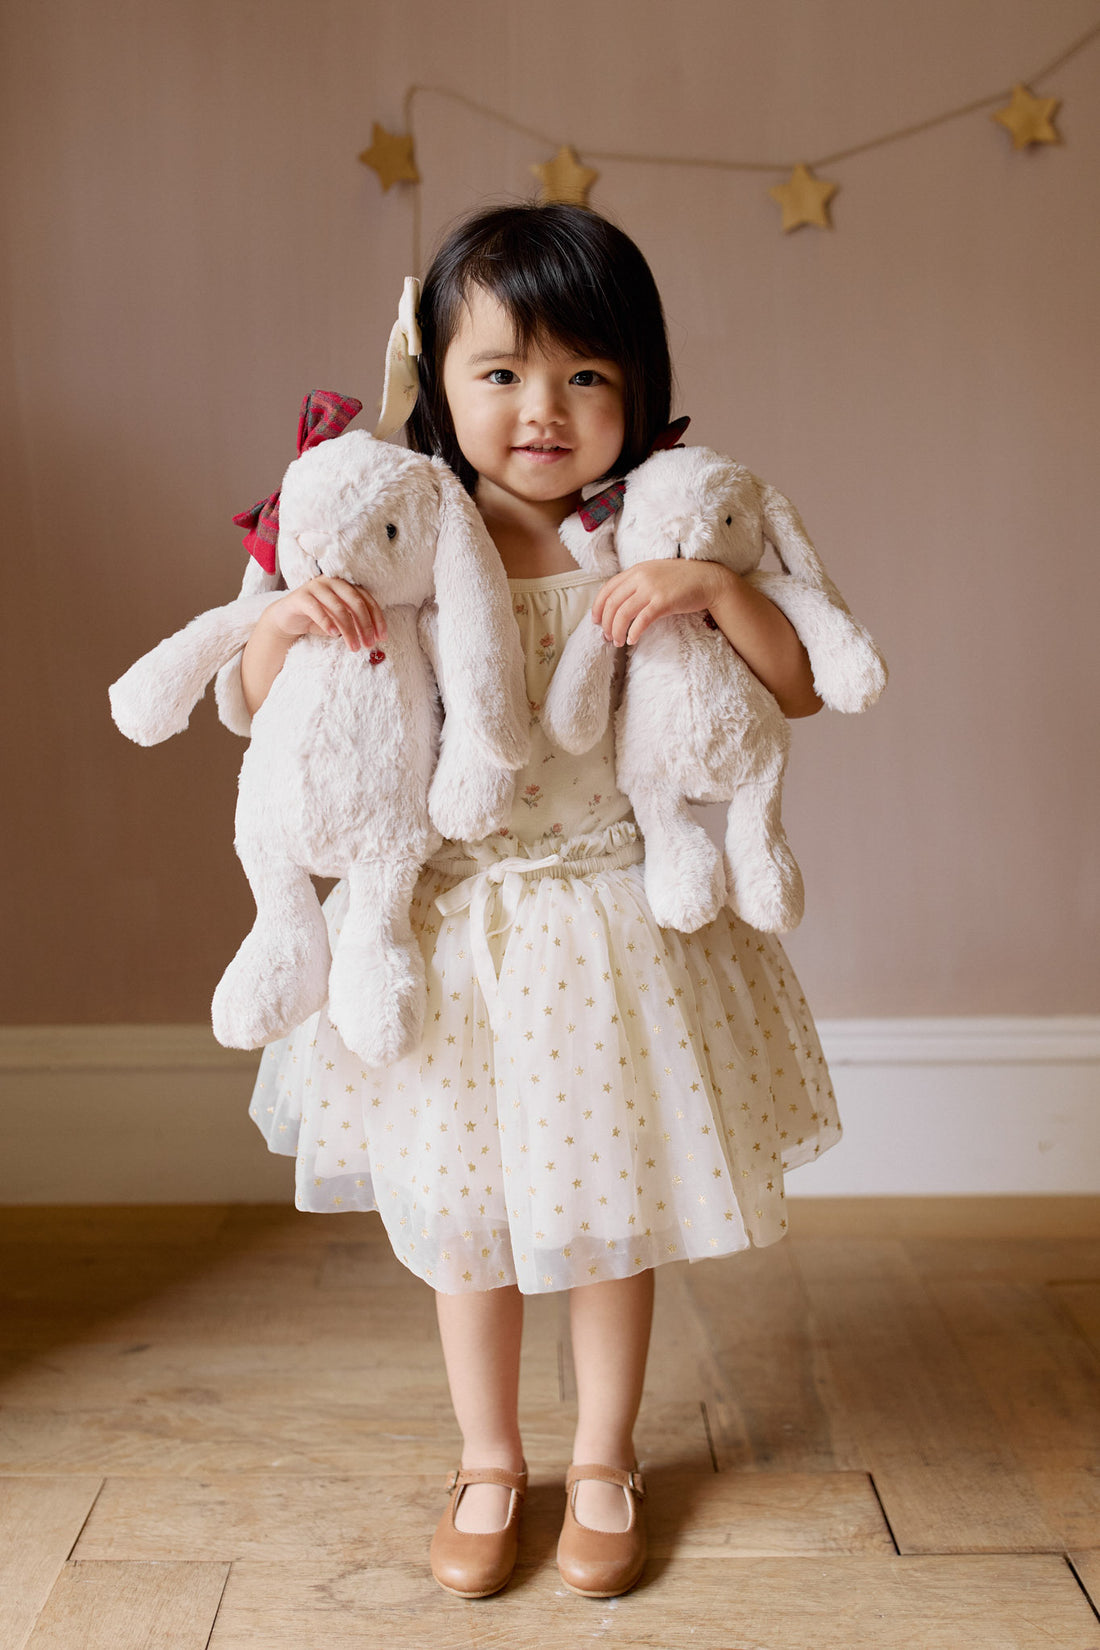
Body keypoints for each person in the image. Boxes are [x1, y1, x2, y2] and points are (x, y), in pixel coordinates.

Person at [236, 203, 839, 1600]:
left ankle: (610, 1452)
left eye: (585, 376)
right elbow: (261, 712)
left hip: (606, 922)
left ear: (637, 385)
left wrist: (702, 587)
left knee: (608, 1211)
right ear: (434, 385)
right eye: (500, 373)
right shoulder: (385, 532)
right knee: (470, 1222)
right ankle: (491, 1454)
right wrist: (284, 621)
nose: (542, 410)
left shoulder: (649, 529)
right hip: (448, 930)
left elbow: (801, 676)